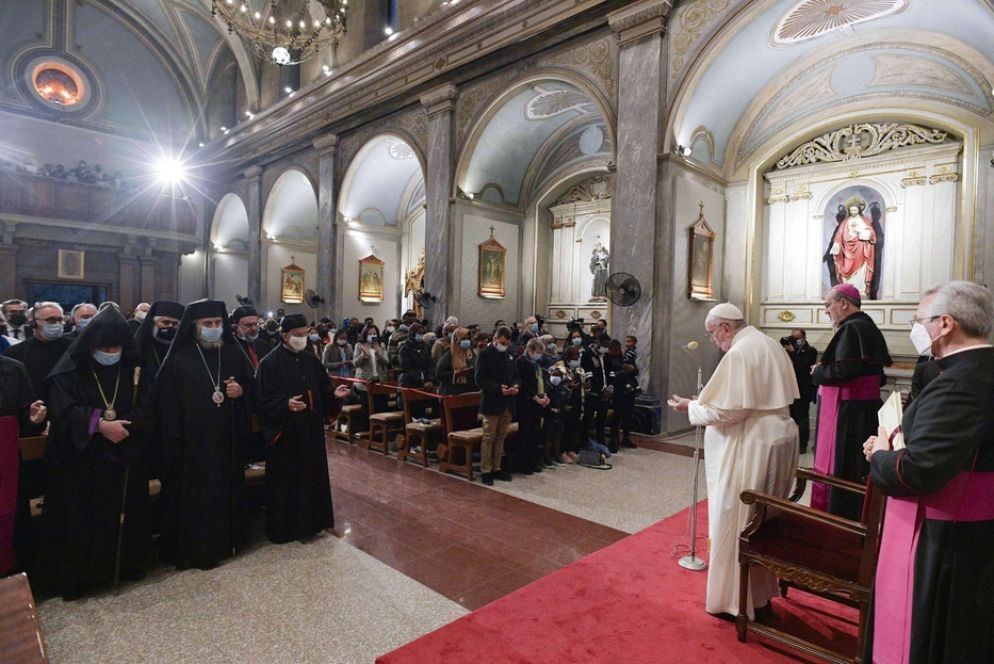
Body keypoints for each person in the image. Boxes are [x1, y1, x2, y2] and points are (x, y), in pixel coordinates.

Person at [861, 281, 994, 664]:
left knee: (933, 635)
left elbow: (919, 470)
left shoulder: (961, 382)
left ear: (946, 323)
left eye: (919, 320)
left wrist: (881, 455)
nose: (916, 329)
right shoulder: (975, 369)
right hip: (969, 529)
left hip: (947, 535)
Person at [668, 303, 799, 620]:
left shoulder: (740, 353)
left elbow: (728, 411)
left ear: (726, 327)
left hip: (751, 446)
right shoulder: (767, 343)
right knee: (761, 521)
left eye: (712, 333)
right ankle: (758, 595)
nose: (713, 339)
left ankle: (734, 600)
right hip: (775, 440)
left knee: (737, 517)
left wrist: (692, 408)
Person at [43, 307, 153, 598]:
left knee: (126, 515)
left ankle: (126, 567)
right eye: (105, 347)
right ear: (91, 345)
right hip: (86, 462)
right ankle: (83, 579)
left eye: (116, 346)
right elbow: (62, 410)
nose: (111, 352)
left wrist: (127, 426)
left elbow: (149, 406)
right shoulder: (71, 369)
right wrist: (100, 425)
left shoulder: (135, 369)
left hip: (125, 454)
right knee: (83, 519)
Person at [155, 299, 254, 570]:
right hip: (192, 447)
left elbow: (253, 386)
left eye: (217, 324)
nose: (213, 328)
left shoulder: (233, 354)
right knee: (196, 499)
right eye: (207, 324)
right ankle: (195, 549)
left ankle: (228, 541)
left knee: (225, 492)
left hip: (226, 441)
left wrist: (241, 391)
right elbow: (165, 405)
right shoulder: (178, 360)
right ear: (194, 327)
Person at [256, 314, 351, 544]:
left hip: (310, 431)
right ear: (285, 336)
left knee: (312, 476)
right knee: (289, 480)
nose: (302, 339)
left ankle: (313, 523)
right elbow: (263, 399)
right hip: (287, 434)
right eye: (297, 336)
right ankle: (287, 528)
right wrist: (285, 404)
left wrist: (332, 395)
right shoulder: (269, 363)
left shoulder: (310, 360)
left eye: (304, 335)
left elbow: (321, 388)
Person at [811, 284, 892, 520]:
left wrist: (817, 372)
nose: (827, 311)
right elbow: (877, 374)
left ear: (844, 303)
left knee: (845, 468)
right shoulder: (867, 326)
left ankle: (840, 519)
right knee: (857, 467)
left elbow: (844, 369)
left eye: (829, 305)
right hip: (863, 410)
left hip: (849, 415)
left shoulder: (852, 328)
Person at [0, 356, 45, 575]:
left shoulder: (13, 368)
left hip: (7, 458)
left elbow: (25, 419)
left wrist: (34, 420)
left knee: (13, 515)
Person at [474, 326, 518, 486]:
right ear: (494, 339)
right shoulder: (484, 355)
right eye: (501, 342)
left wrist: (516, 386)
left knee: (501, 437)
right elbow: (479, 380)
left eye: (506, 343)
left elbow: (515, 374)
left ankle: (497, 467)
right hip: (492, 401)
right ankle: (485, 470)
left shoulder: (510, 353)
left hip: (508, 402)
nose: (503, 345)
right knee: (488, 437)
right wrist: (498, 388)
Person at [515, 338, 549, 474]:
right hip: (526, 402)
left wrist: (544, 394)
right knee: (525, 434)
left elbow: (541, 379)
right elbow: (525, 384)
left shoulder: (536, 363)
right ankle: (523, 464)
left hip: (538, 401)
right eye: (538, 352)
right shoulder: (521, 362)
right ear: (530, 350)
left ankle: (532, 461)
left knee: (535, 433)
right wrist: (536, 398)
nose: (539, 355)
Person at [783, 329, 817, 454]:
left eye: (797, 338)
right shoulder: (787, 351)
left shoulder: (810, 350)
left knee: (802, 418)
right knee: (789, 416)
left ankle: (802, 444)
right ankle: (789, 442)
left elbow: (803, 366)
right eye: (792, 337)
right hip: (789, 389)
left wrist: (794, 353)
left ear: (803, 338)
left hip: (803, 389)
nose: (794, 340)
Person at [132, 301, 183, 376]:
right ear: (153, 324)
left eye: (175, 324)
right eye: (165, 322)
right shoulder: (141, 348)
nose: (170, 326)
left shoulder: (182, 349)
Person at [606, 338, 639, 450]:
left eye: (618, 350)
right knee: (617, 415)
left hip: (628, 388)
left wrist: (632, 369)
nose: (616, 352)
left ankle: (626, 437)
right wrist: (621, 372)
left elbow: (636, 371)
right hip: (616, 390)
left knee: (628, 414)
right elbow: (608, 373)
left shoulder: (624, 356)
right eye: (614, 350)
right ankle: (614, 438)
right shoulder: (607, 358)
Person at [580, 333, 612, 446]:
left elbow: (610, 374)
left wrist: (609, 388)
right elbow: (589, 374)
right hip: (593, 392)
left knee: (602, 419)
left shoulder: (607, 356)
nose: (605, 347)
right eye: (604, 345)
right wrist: (602, 389)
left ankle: (601, 442)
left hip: (606, 393)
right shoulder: (587, 355)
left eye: (607, 345)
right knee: (588, 419)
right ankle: (583, 443)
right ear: (597, 343)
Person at [230, 305, 271, 372]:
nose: (254, 328)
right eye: (248, 325)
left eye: (255, 324)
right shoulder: (229, 348)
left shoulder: (263, 344)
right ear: (236, 327)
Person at [436, 327, 476, 395]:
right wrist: (456, 373)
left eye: (468, 339)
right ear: (456, 339)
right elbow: (440, 374)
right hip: (453, 391)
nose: (466, 341)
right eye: (463, 339)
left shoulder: (470, 353)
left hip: (470, 390)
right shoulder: (449, 355)